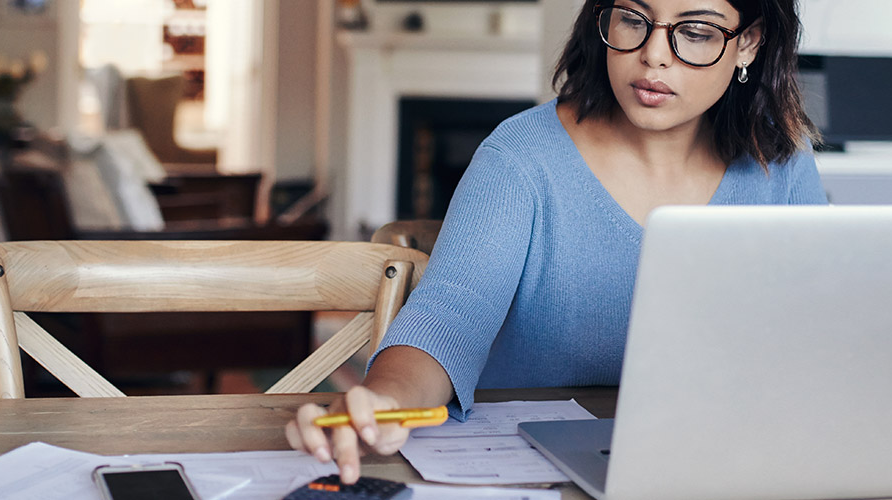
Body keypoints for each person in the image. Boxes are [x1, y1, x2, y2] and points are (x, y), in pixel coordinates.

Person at [286, 0, 823, 483]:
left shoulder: (783, 164)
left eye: (698, 31)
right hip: (532, 475)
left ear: (748, 42)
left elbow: (820, 335)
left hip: (718, 467)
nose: (654, 55)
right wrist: (383, 402)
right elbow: (447, 321)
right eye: (633, 20)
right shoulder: (521, 157)